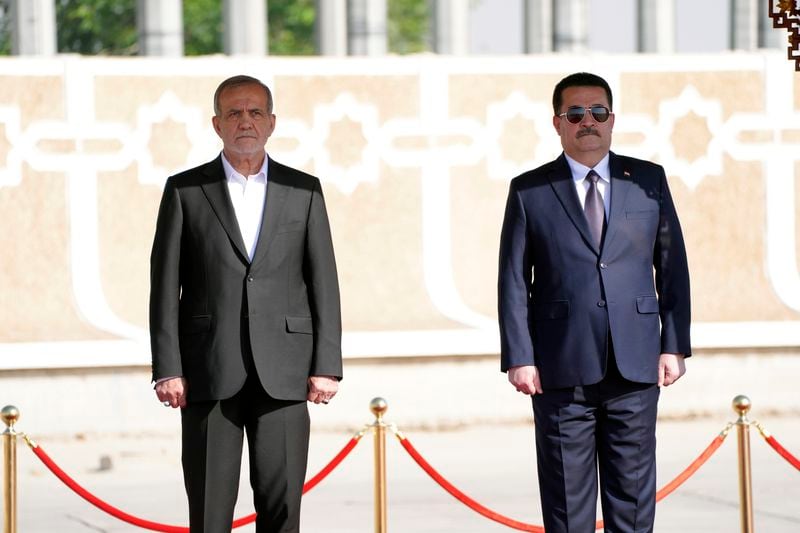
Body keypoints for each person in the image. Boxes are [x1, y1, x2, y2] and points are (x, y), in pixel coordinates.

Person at [497, 72, 691, 533]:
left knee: (634, 498)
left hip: (636, 364)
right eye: (576, 113)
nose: (589, 121)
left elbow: (672, 266)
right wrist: (520, 357)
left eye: (598, 112)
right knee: (567, 504)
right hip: (560, 369)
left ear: (612, 119)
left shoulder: (648, 180)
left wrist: (674, 344)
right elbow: (511, 280)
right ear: (557, 123)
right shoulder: (529, 190)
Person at [149, 75, 342, 533]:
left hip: (286, 372)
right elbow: (164, 285)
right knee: (210, 512)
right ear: (216, 123)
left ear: (272, 122)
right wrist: (168, 367)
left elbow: (324, 281)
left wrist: (327, 364)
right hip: (207, 372)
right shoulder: (185, 191)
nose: (245, 121)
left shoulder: (304, 190)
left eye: (255, 112)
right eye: (234, 112)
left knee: (281, 510)